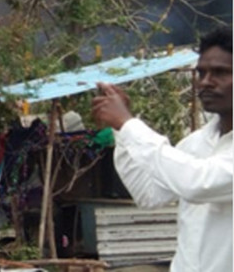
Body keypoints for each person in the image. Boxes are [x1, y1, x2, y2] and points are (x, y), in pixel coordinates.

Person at [91, 26, 233, 272]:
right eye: (201, 72)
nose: (205, 82)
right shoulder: (196, 143)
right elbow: (149, 194)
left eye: (221, 72)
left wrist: (128, 124)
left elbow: (197, 183)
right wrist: (121, 130)